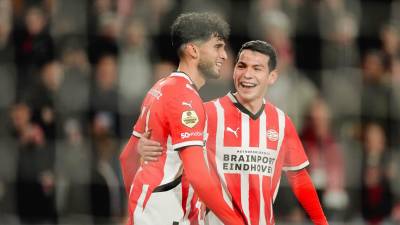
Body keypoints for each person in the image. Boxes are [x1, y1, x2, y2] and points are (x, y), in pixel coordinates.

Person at [139, 40, 329, 225]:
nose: (247, 74)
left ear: (272, 77)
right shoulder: (208, 113)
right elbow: (166, 138)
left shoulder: (281, 121)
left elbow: (299, 178)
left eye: (257, 68)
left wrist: (322, 222)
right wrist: (145, 144)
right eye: (242, 66)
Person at [119, 12, 246, 225]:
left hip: (153, 210)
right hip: (166, 214)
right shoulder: (185, 98)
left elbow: (127, 158)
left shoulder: (160, 88)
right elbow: (198, 175)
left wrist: (138, 205)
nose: (224, 55)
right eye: (217, 46)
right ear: (193, 50)